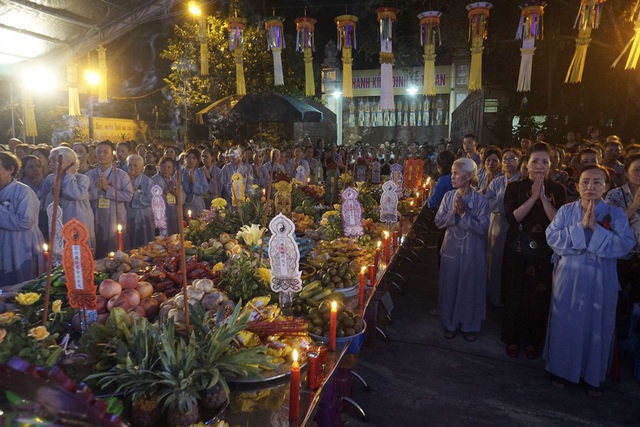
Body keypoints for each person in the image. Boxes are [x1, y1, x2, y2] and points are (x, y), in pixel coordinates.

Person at [545, 165, 635, 396]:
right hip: (570, 276)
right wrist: (580, 228)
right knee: (566, 322)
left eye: (596, 182)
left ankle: (592, 376)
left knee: (597, 325)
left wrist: (597, 230)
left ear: (605, 187)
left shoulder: (614, 214)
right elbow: (552, 237)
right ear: (577, 186)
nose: (590, 187)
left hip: (601, 278)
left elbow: (626, 245)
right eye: (585, 182)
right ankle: (560, 370)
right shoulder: (566, 211)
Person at [502, 142, 567, 359]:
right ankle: (511, 338)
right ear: (527, 164)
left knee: (538, 295)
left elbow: (559, 222)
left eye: (544, 162)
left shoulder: (557, 190)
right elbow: (512, 218)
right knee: (515, 293)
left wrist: (543, 198)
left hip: (544, 252)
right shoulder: (515, 188)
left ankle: (533, 340)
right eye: (535, 161)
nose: (539, 166)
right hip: (518, 248)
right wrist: (532, 197)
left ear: (551, 165)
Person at [434, 158, 489, 342]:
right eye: (452, 172)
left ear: (469, 176)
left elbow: (483, 228)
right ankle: (450, 323)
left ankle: (469, 325)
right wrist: (454, 214)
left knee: (469, 285)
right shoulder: (448, 197)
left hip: (472, 251)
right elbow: (438, 221)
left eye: (457, 173)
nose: (453, 176)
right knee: (450, 285)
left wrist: (465, 214)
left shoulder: (481, 200)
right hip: (451, 249)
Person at [0, 152, 45, 285]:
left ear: (10, 169)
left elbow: (25, 221)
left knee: (22, 285)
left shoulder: (23, 192)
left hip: (21, 245)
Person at [40, 146, 96, 249]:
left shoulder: (82, 179)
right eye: (50, 159)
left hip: (78, 222)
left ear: (68, 161)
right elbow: (42, 204)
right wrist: (52, 194)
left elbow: (75, 194)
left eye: (54, 159)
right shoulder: (50, 179)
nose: (50, 163)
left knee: (79, 253)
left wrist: (69, 174)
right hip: (58, 224)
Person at [485, 148, 521, 307]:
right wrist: (502, 200)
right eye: (505, 159)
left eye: (512, 158)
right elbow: (487, 203)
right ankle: (494, 297)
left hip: (514, 226)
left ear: (519, 161)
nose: (508, 162)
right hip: (497, 224)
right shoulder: (497, 182)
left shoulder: (522, 182)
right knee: (494, 262)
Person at [86, 141, 133, 258]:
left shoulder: (121, 175)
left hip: (116, 217)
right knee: (97, 248)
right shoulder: (88, 175)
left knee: (116, 247)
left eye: (105, 152)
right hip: (95, 216)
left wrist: (108, 189)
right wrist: (96, 190)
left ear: (112, 155)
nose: (101, 155)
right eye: (99, 152)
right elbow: (84, 197)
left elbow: (128, 196)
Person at [125, 154, 154, 249]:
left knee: (144, 242)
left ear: (141, 167)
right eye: (130, 165)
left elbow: (150, 199)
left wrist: (134, 194)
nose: (132, 168)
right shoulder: (123, 179)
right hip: (127, 215)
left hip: (143, 216)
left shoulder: (148, 181)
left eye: (135, 166)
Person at [152, 157, 179, 236]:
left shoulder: (174, 180)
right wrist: (166, 191)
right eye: (163, 167)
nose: (166, 169)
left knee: (174, 237)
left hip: (173, 212)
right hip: (161, 214)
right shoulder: (154, 180)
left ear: (172, 169)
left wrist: (174, 192)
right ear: (159, 167)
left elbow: (182, 196)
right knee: (163, 238)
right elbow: (153, 199)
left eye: (169, 167)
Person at [181, 148, 208, 217]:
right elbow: (178, 187)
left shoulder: (200, 173)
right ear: (185, 159)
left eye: (194, 158)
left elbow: (205, 189)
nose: (191, 160)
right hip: (185, 204)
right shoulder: (180, 172)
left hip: (198, 204)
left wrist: (194, 182)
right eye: (189, 158)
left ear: (197, 160)